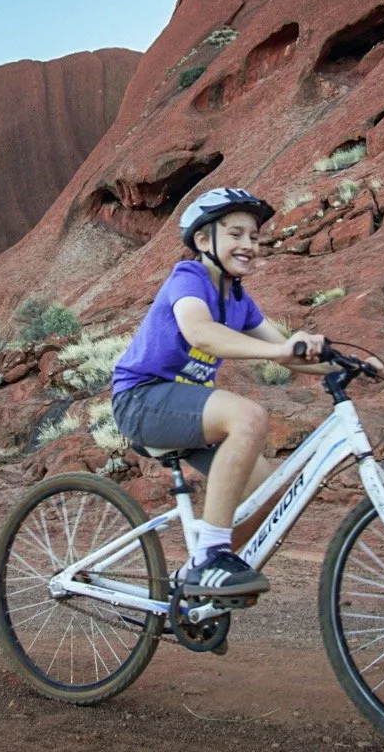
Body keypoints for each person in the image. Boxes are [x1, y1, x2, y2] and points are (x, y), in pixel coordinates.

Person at [110, 187, 337, 597]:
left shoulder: (238, 299)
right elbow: (200, 332)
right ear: (203, 240)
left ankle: (198, 578)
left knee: (267, 492)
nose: (248, 244)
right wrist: (281, 348)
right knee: (248, 416)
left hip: (184, 410)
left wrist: (348, 365)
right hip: (142, 399)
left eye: (253, 236)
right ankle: (213, 553)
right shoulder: (189, 278)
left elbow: (288, 355)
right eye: (236, 234)